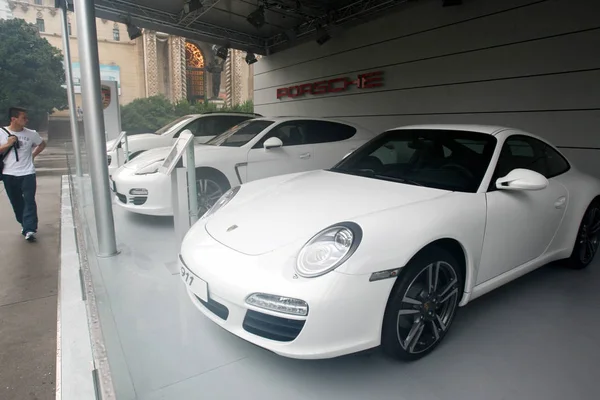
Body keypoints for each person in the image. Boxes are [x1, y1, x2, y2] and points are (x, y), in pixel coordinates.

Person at [0, 107, 47, 241]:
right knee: (16, 202)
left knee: (29, 201)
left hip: (27, 173)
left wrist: (33, 155)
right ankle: (24, 223)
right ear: (14, 119)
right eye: (23, 118)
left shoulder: (31, 134)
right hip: (9, 174)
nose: (27, 120)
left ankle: (30, 229)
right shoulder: (2, 133)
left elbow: (42, 144)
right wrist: (8, 144)